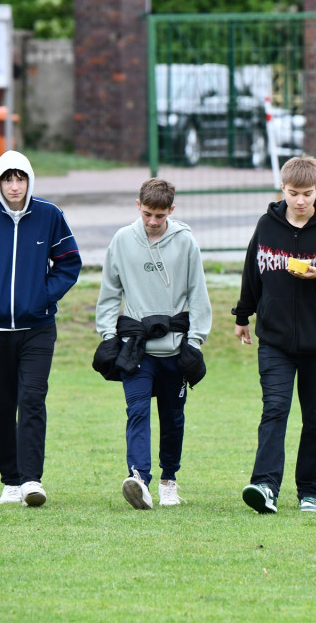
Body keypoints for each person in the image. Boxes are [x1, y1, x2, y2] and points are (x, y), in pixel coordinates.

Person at [0, 150, 82, 507]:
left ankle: (31, 481)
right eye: (8, 179)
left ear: (29, 181)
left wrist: (42, 296)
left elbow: (69, 263)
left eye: (20, 178)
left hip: (38, 328)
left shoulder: (49, 216)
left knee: (33, 399)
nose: (14, 185)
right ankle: (10, 480)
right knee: (2, 404)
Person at [233, 156, 316, 514]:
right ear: (283, 190)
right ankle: (265, 485)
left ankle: (310, 492)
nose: (300, 200)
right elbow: (251, 272)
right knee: (274, 409)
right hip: (274, 340)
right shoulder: (267, 226)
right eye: (293, 193)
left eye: (306, 193)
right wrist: (243, 314)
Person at [93, 178, 212, 509]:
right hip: (137, 347)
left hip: (175, 348)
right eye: (147, 214)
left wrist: (196, 341)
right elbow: (109, 294)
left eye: (160, 215)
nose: (153, 221)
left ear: (171, 211)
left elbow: (198, 295)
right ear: (138, 206)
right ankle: (139, 480)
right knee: (137, 411)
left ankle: (168, 480)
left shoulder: (186, 242)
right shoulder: (121, 241)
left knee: (173, 417)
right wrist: (107, 335)